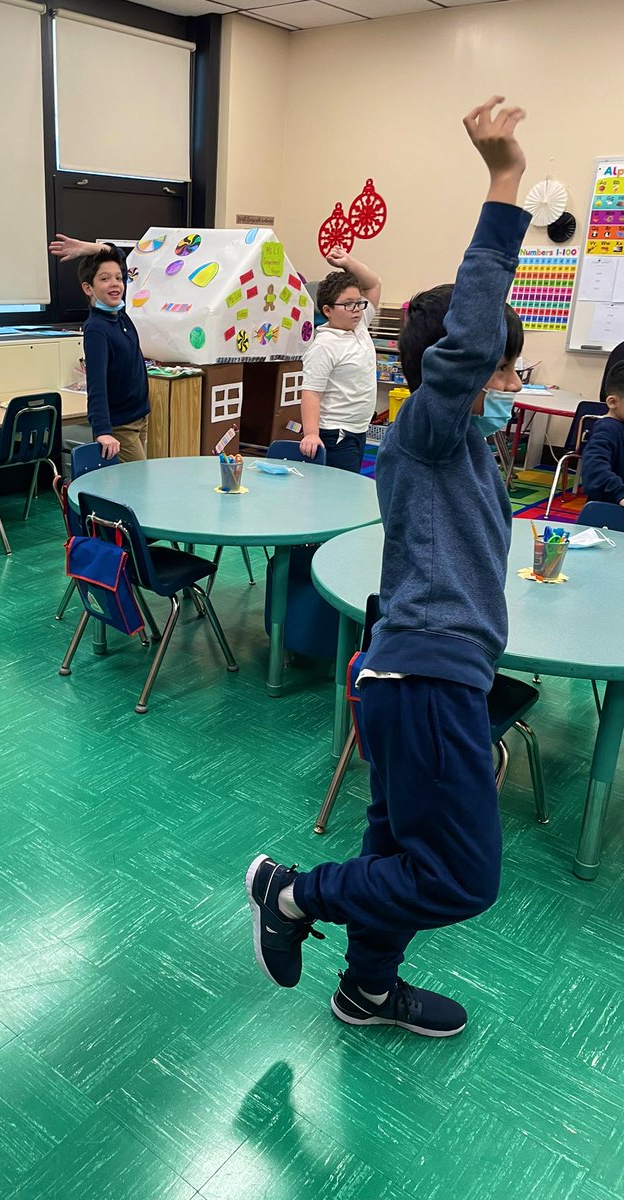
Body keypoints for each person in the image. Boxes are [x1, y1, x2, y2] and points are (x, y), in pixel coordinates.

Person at [246, 97, 530, 1038]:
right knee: (460, 873)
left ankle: (366, 987)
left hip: (416, 669)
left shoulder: (459, 452)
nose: (509, 387)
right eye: (502, 373)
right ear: (460, 371)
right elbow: (472, 340)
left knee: (399, 845)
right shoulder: (432, 429)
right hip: (427, 671)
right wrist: (502, 185)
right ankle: (292, 895)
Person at [49, 236, 149, 462]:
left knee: (132, 485)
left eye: (118, 278)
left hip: (139, 418)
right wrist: (103, 431)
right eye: (104, 279)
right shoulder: (97, 328)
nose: (115, 283)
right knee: (138, 487)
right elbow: (97, 384)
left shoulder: (119, 315)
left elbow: (120, 258)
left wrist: (90, 248)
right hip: (120, 425)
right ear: (88, 287)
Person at [299, 248, 382, 472]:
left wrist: (348, 262)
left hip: (359, 429)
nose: (356, 310)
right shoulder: (324, 345)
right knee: (340, 493)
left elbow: (373, 284)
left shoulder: (360, 324)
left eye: (358, 303)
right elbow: (311, 392)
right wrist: (311, 434)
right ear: (327, 310)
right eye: (348, 304)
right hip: (336, 433)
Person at [581, 360, 624, 507]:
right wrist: (619, 493)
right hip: (609, 512)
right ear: (613, 402)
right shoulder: (607, 429)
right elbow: (594, 468)